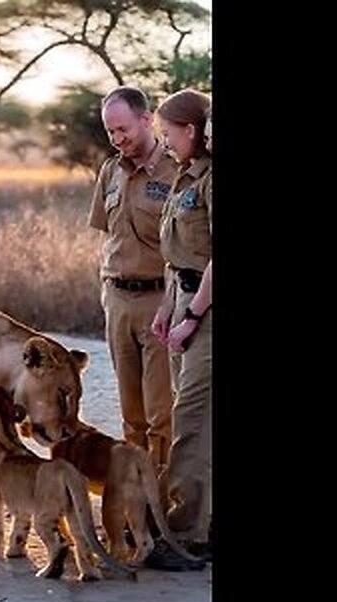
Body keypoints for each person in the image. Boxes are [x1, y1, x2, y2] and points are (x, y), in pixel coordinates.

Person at [87, 86, 178, 473]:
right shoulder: (110, 170)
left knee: (161, 414)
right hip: (117, 301)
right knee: (131, 415)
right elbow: (106, 234)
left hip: (159, 299)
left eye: (123, 129)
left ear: (146, 119)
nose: (117, 139)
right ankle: (135, 498)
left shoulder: (177, 170)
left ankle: (164, 502)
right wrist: (107, 292)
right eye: (110, 132)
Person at [145, 90, 214, 569]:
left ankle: (188, 533)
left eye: (169, 133)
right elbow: (177, 256)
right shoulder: (185, 177)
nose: (165, 142)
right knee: (185, 413)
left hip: (207, 307)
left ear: (191, 130)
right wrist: (170, 307)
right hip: (185, 296)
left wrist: (194, 314)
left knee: (193, 419)